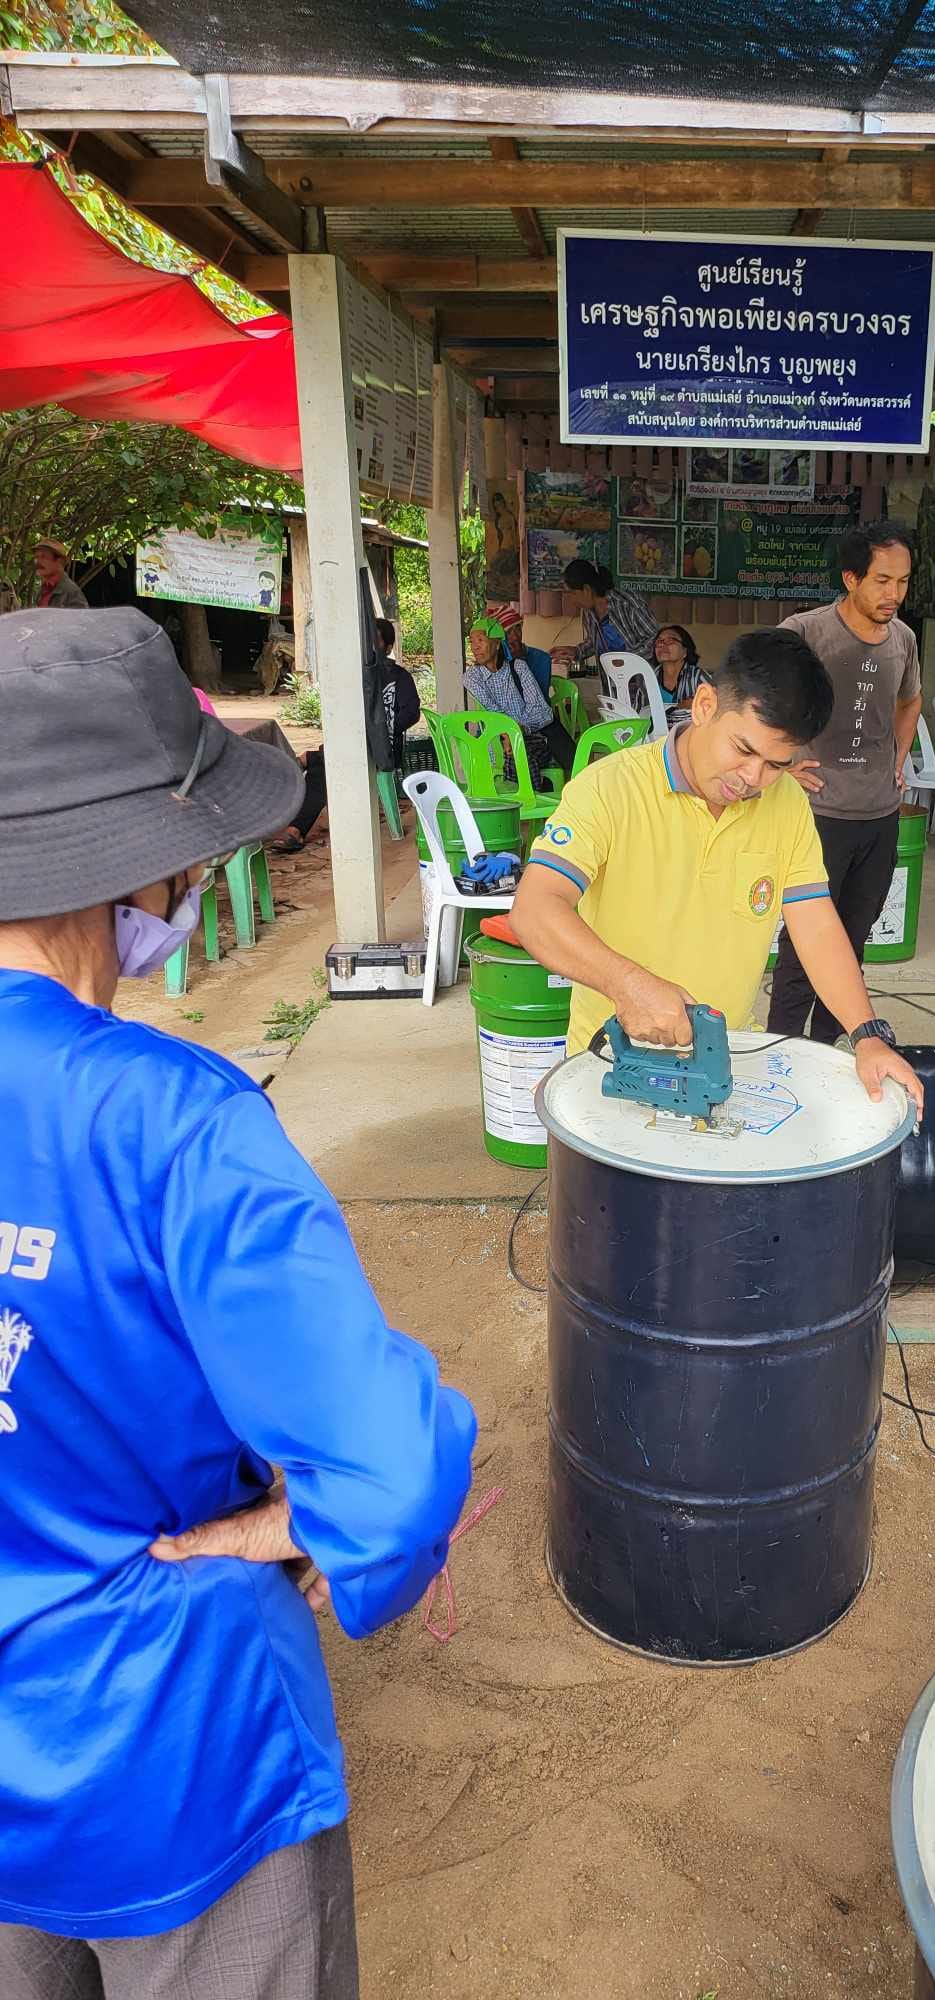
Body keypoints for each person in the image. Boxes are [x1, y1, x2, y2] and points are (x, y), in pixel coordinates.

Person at [0, 607, 475, 1997]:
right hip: (175, 1751)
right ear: (124, 867)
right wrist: (294, 1522)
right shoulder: (172, 1121)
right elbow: (388, 1475)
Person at [510, 626, 924, 1116]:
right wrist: (628, 985)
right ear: (705, 705)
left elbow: (815, 924)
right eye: (743, 750)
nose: (752, 778)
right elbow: (534, 910)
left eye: (776, 764)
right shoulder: (609, 788)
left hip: (727, 1064)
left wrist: (866, 1034)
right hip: (610, 1066)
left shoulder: (785, 804)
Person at [766, 523, 923, 1044]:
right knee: (802, 947)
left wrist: (899, 756)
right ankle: (784, 1048)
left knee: (851, 945)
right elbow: (759, 698)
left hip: (878, 817)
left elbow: (911, 700)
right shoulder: (805, 632)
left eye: (902, 581)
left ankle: (827, 1050)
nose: (894, 594)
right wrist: (781, 765)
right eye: (882, 580)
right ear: (851, 578)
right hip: (818, 814)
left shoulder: (903, 640)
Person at [277, 617, 419, 853]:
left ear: (388, 647)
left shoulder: (400, 677)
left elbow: (412, 713)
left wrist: (380, 730)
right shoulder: (357, 676)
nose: (369, 646)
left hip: (383, 750)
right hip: (350, 748)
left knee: (325, 761)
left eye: (375, 641)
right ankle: (296, 829)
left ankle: (308, 762)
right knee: (323, 768)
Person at [464, 611, 575, 779]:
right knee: (518, 758)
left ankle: (533, 792)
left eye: (481, 640)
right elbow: (493, 713)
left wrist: (522, 729)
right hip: (497, 742)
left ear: (497, 643)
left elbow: (542, 711)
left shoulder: (519, 667)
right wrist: (509, 732)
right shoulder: (472, 677)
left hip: (530, 738)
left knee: (524, 757)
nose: (475, 647)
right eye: (472, 642)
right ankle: (535, 792)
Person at [553, 557, 659, 677]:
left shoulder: (626, 603)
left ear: (586, 589)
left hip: (642, 679)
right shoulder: (589, 612)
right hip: (612, 680)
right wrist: (576, 651)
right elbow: (596, 642)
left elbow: (655, 639)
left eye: (572, 593)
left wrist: (626, 660)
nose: (571, 600)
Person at [648, 623, 707, 714]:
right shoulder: (648, 679)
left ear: (685, 651)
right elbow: (637, 714)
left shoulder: (697, 676)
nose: (662, 645)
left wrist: (696, 704)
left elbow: (717, 706)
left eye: (670, 640)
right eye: (659, 641)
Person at [32, 538, 88, 610]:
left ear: (59, 561)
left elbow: (83, 616)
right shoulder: (44, 589)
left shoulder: (71, 592)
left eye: (43, 556)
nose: (38, 561)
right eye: (36, 557)